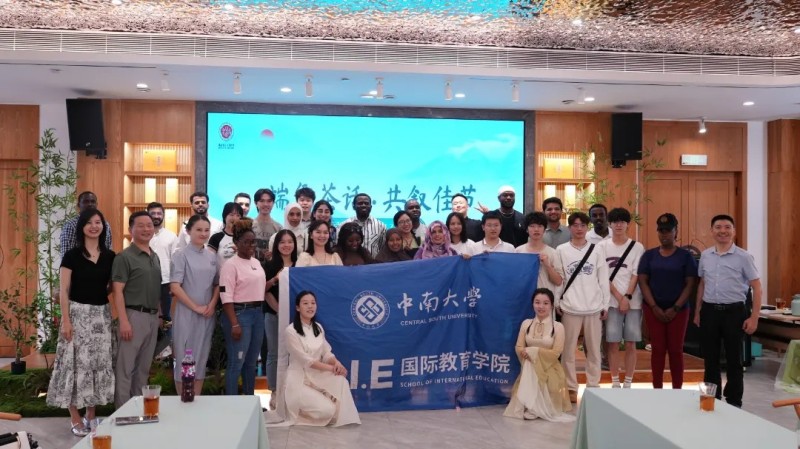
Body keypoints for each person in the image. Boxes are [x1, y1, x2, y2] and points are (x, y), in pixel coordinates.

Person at [47, 209, 115, 437]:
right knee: (73, 364)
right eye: (89, 223)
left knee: (96, 364)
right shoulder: (72, 256)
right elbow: (64, 291)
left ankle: (91, 415)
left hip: (101, 316)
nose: (94, 226)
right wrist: (66, 321)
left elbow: (112, 287)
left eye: (98, 222)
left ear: (103, 226)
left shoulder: (111, 256)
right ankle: (74, 416)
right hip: (76, 315)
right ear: (82, 227)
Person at [693, 214, 761, 408]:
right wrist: (697, 311)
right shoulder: (706, 256)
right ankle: (711, 401)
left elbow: (757, 287)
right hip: (710, 312)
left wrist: (754, 317)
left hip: (734, 312)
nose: (722, 231)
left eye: (727, 227)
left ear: (733, 231)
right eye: (718, 227)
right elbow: (702, 284)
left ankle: (734, 402)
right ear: (711, 231)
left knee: (734, 360)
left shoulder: (744, 257)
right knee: (710, 359)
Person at [282, 291, 360, 426]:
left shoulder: (318, 327)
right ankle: (299, 412)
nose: (310, 306)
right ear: (298, 308)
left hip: (316, 376)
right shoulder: (291, 331)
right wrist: (332, 368)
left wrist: (337, 363)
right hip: (299, 379)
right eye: (305, 303)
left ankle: (324, 403)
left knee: (341, 380)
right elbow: (307, 361)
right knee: (327, 411)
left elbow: (326, 352)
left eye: (313, 303)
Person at [638, 213, 698, 389]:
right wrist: (654, 306)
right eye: (661, 230)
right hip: (653, 309)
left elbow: (690, 283)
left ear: (675, 231)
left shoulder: (685, 256)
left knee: (675, 350)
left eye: (668, 230)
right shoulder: (649, 255)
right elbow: (643, 281)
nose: (664, 234)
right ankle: (657, 389)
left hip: (679, 310)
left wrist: (676, 307)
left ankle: (677, 389)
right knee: (657, 349)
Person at [556, 211, 609, 403]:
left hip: (593, 307)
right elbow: (560, 278)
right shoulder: (561, 250)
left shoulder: (597, 249)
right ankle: (571, 387)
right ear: (569, 228)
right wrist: (557, 301)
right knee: (568, 351)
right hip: (570, 306)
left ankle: (593, 385)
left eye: (583, 225)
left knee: (594, 350)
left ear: (588, 228)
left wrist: (605, 304)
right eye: (575, 225)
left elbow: (603, 278)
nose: (579, 229)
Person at [112, 211, 162, 407]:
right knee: (125, 368)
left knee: (143, 369)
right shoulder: (124, 257)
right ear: (130, 229)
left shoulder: (154, 256)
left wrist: (159, 315)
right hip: (133, 316)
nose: (146, 229)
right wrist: (124, 321)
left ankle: (138, 409)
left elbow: (155, 288)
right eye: (140, 225)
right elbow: (117, 292)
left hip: (152, 317)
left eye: (149, 225)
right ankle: (122, 412)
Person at [504, 288, 574, 422]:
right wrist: (525, 353)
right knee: (530, 364)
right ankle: (532, 406)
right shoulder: (526, 324)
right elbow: (519, 347)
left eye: (545, 303)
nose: (541, 306)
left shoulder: (558, 327)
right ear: (532, 304)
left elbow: (556, 352)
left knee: (533, 361)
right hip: (529, 365)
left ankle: (534, 407)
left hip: (549, 367)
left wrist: (534, 352)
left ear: (552, 305)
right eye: (537, 302)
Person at [169, 215, 219, 397]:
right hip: (186, 314)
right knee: (185, 358)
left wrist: (212, 304)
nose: (203, 234)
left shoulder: (212, 256)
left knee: (201, 357)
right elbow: (175, 286)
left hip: (207, 314)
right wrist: (195, 307)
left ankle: (195, 399)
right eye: (199, 230)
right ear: (188, 231)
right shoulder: (180, 255)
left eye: (206, 230)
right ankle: (184, 399)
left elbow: (217, 284)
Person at [219, 218, 267, 395]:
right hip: (240, 315)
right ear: (236, 243)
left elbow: (258, 288)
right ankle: (232, 403)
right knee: (236, 362)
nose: (251, 245)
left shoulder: (256, 262)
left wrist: (277, 279)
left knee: (251, 362)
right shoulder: (230, 265)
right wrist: (234, 324)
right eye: (247, 242)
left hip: (258, 314)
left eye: (253, 242)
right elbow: (226, 296)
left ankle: (249, 400)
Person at [598, 207, 645, 389]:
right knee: (613, 342)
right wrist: (619, 297)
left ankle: (628, 382)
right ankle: (615, 381)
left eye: (622, 222)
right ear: (609, 224)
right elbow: (603, 275)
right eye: (615, 222)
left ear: (628, 224)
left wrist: (627, 297)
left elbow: (636, 274)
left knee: (631, 342)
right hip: (610, 302)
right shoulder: (602, 246)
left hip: (633, 303)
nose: (619, 225)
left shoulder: (637, 247)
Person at [263, 229, 298, 409]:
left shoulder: (300, 264)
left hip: (296, 317)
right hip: (273, 314)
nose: (286, 245)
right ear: (276, 245)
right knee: (274, 353)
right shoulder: (269, 265)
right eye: (282, 242)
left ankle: (291, 390)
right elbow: (264, 290)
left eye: (290, 242)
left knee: (294, 354)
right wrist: (279, 310)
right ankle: (274, 391)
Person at [147, 202, 178, 339]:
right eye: (153, 213)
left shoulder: (171, 236)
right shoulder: (142, 234)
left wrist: (174, 283)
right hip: (146, 282)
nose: (156, 216)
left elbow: (176, 261)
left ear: (163, 215)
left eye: (159, 213)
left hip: (166, 282)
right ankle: (150, 345)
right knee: (147, 314)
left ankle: (167, 345)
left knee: (166, 316)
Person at [515, 212, 563, 294]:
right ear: (527, 229)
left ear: (544, 229)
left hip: (545, 298)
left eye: (540, 226)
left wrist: (548, 265)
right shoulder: (518, 251)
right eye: (532, 226)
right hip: (523, 296)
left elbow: (558, 281)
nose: (536, 229)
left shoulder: (552, 253)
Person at [60, 191, 113, 258]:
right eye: (86, 202)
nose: (90, 204)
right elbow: (66, 257)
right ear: (78, 205)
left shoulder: (105, 225)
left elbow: (108, 250)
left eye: (93, 201)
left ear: (96, 204)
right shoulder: (71, 226)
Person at [343, 193, 385, 258]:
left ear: (371, 207)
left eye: (366, 203)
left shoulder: (380, 226)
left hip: (373, 263)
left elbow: (382, 248)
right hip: (350, 263)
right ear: (353, 206)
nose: (363, 205)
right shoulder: (344, 225)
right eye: (360, 203)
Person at [208, 202, 244, 268]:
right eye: (231, 215)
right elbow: (209, 261)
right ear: (225, 216)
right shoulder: (216, 238)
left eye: (238, 215)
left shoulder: (245, 237)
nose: (235, 218)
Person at [252, 188, 283, 263]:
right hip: (251, 267)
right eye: (262, 201)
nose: (265, 204)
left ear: (273, 203)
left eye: (269, 201)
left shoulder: (279, 228)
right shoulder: (249, 225)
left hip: (272, 267)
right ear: (256, 203)